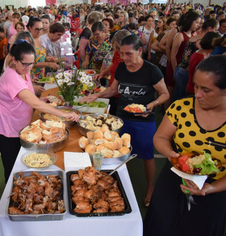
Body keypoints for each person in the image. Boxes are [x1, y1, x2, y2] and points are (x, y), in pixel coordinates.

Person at [82, 35, 169, 206]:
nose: (124, 58)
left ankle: (150, 189)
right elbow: (113, 90)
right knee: (120, 153)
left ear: (140, 51)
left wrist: (152, 104)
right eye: (121, 53)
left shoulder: (152, 70)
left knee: (147, 156)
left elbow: (165, 94)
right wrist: (97, 95)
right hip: (122, 119)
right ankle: (121, 185)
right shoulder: (121, 68)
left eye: (128, 54)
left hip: (144, 120)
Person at [144, 55, 226, 236]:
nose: (197, 94)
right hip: (174, 180)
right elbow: (161, 137)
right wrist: (173, 156)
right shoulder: (182, 107)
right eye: (196, 86)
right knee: (161, 224)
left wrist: (210, 188)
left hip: (212, 191)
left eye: (206, 90)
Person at [0, 41, 79, 182]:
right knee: (12, 166)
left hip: (20, 124)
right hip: (7, 129)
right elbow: (34, 103)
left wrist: (41, 101)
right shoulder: (11, 78)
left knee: (21, 163)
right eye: (25, 63)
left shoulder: (22, 71)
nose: (29, 67)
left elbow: (28, 96)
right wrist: (65, 114)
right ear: (14, 59)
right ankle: (9, 193)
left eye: (32, 63)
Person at [94, 29, 131, 115]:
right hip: (112, 92)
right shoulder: (117, 53)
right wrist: (103, 73)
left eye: (116, 47)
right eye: (114, 47)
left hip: (121, 96)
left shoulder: (128, 58)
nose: (115, 49)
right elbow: (113, 64)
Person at [172, 11, 201, 101]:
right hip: (180, 67)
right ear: (189, 21)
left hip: (187, 68)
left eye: (199, 23)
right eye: (196, 22)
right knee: (180, 95)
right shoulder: (180, 35)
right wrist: (174, 70)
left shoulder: (194, 35)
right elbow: (173, 55)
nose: (198, 25)